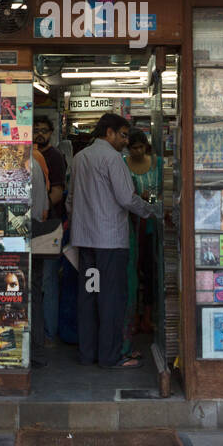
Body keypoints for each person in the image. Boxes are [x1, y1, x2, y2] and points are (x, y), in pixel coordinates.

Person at [69, 113, 158, 369]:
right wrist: (153, 211)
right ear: (108, 132)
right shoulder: (112, 159)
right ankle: (110, 357)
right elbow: (127, 198)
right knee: (110, 299)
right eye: (122, 135)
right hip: (110, 243)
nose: (125, 141)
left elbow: (70, 199)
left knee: (89, 296)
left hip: (86, 243)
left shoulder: (79, 158)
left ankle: (88, 354)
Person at [123, 128, 163, 355]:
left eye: (140, 147)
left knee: (150, 272)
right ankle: (134, 318)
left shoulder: (156, 163)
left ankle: (147, 317)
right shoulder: (122, 163)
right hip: (130, 226)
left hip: (150, 227)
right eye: (133, 148)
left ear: (146, 146)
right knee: (132, 273)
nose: (137, 151)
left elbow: (162, 193)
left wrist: (152, 200)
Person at [33, 115, 67, 346]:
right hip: (37, 221)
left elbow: (57, 192)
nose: (39, 134)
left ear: (51, 133)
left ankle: (48, 333)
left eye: (44, 130)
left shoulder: (54, 157)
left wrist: (41, 208)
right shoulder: (32, 156)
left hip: (48, 224)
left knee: (48, 281)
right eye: (36, 130)